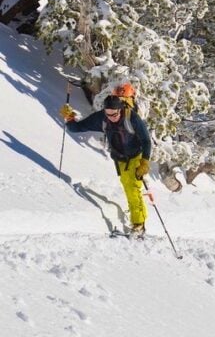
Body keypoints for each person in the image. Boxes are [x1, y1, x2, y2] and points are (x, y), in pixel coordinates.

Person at [60, 94, 152, 237]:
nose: (111, 117)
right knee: (128, 187)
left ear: (120, 110)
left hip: (135, 156)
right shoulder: (101, 118)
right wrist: (70, 118)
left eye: (114, 114)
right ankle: (139, 217)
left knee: (132, 188)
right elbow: (77, 128)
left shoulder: (132, 118)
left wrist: (145, 161)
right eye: (108, 114)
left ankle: (139, 224)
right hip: (120, 158)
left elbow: (146, 140)